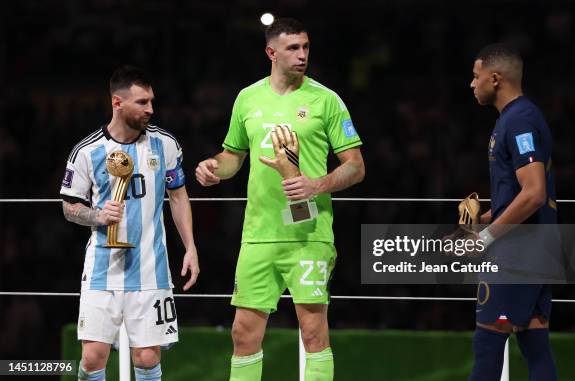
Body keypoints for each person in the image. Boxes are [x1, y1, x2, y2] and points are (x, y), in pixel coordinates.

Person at [196, 17, 364, 381]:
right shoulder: (247, 98)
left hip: (309, 234)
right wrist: (213, 166)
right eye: (293, 48)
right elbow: (233, 157)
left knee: (314, 333)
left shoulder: (326, 100)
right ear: (271, 52)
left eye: (305, 47)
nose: (302, 54)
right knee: (243, 334)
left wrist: (315, 185)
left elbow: (356, 167)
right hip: (259, 233)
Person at [60, 65, 199, 381]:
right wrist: (97, 215)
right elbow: (69, 207)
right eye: (142, 102)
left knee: (148, 357)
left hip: (152, 267)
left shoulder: (165, 144)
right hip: (102, 269)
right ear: (117, 103)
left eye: (151, 101)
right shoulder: (87, 151)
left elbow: (178, 198)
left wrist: (190, 247)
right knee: (93, 357)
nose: (151, 109)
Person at [467, 43, 558, 380]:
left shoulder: (519, 121)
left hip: (518, 253)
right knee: (533, 339)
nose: (471, 84)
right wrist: (489, 217)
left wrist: (488, 236)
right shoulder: (517, 118)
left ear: (495, 78)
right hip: (537, 248)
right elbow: (523, 193)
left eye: (476, 77)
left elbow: (534, 193)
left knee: (489, 340)